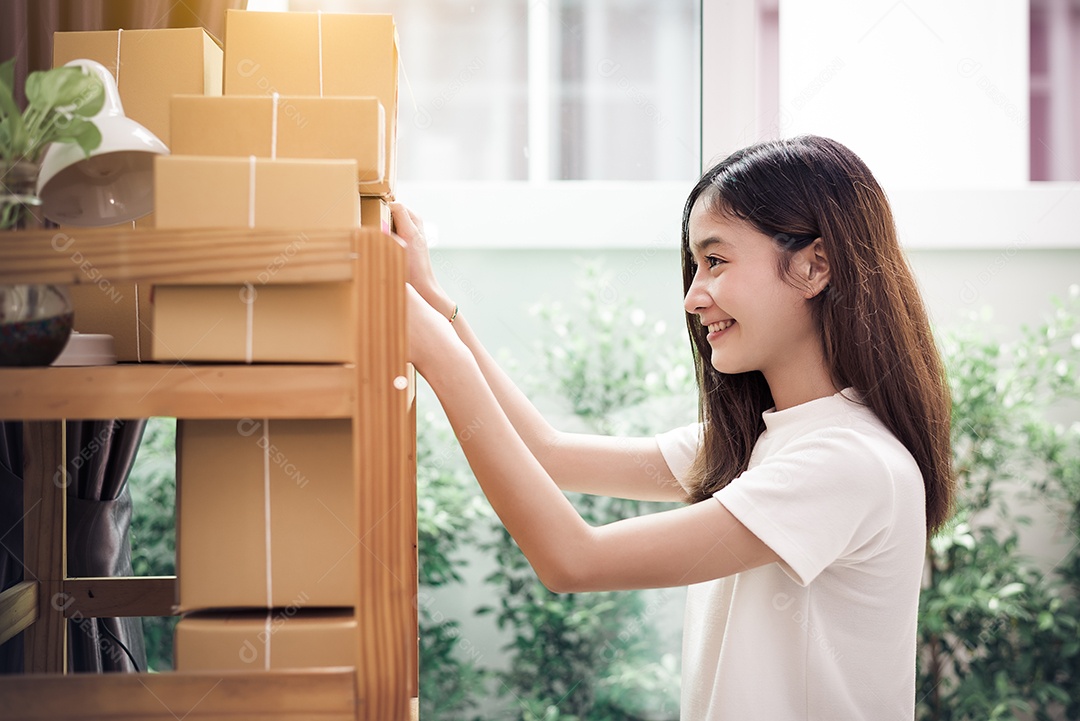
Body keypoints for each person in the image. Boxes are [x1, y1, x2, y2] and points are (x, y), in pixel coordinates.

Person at [395, 135, 955, 720]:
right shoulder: (769, 441)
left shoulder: (847, 462)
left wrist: (439, 358)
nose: (693, 297)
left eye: (715, 261)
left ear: (815, 266)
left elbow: (574, 560)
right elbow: (548, 453)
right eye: (695, 266)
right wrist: (436, 306)